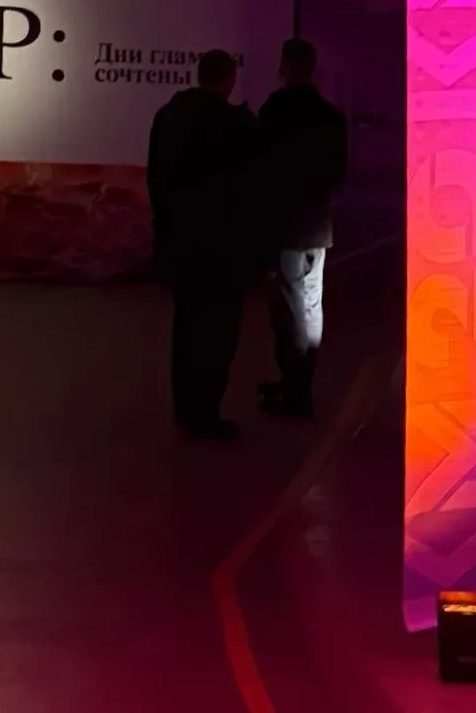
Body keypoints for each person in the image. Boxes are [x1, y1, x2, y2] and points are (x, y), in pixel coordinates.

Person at [147, 48, 260, 441]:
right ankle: (206, 411)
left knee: (187, 326)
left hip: (181, 242)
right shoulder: (236, 125)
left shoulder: (167, 117)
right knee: (219, 333)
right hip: (223, 248)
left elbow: (157, 182)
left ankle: (185, 407)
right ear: (229, 79)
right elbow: (250, 191)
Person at [252, 36, 348, 421]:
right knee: (310, 303)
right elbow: (339, 172)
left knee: (288, 310)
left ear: (285, 66)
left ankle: (295, 392)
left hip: (284, 225)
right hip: (317, 226)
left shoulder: (275, 109)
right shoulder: (331, 115)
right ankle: (300, 382)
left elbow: (260, 168)